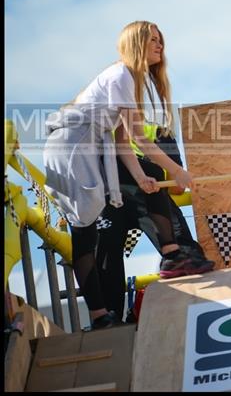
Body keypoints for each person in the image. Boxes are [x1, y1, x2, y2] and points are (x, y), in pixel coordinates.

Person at [43, 21, 205, 329]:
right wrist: (177, 171)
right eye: (153, 40)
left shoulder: (127, 80)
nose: (160, 46)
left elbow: (123, 142)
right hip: (72, 145)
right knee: (85, 227)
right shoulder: (121, 75)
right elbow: (139, 138)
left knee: (90, 224)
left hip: (87, 145)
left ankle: (105, 313)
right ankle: (102, 312)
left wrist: (141, 177)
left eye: (161, 41)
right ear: (136, 44)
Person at [96, 129, 214, 320]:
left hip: (105, 190)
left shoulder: (103, 125)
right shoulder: (158, 129)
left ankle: (108, 320)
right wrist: (169, 169)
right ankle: (202, 308)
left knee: (106, 261)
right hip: (145, 191)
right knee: (184, 254)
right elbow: (177, 187)